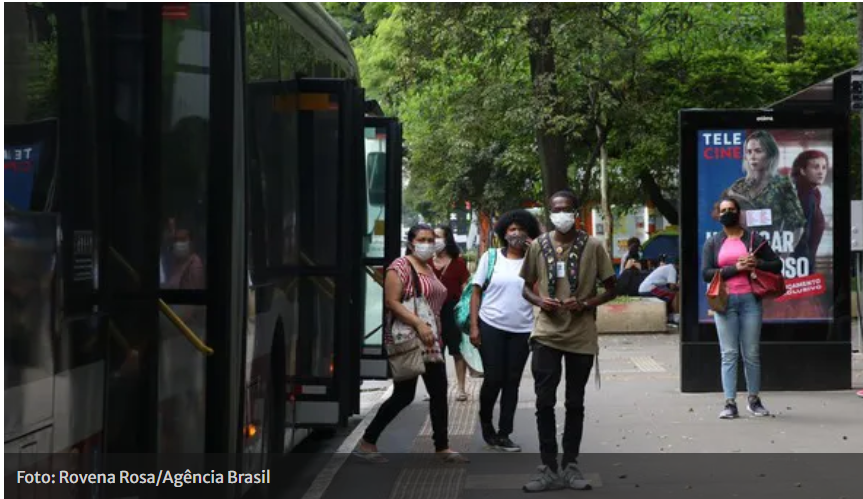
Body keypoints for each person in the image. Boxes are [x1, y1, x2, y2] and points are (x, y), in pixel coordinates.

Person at [519, 189, 617, 491]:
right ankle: (547, 466)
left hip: (581, 334)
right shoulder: (537, 245)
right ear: (549, 213)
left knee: (575, 401)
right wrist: (540, 300)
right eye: (556, 209)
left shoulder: (594, 246)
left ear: (576, 212)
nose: (561, 214)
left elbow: (612, 288)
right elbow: (525, 288)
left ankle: (570, 465)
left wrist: (585, 303)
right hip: (546, 332)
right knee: (544, 400)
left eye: (567, 209)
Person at [355, 224, 468, 463]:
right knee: (404, 395)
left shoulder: (428, 267)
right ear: (410, 243)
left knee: (438, 392)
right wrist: (418, 324)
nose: (428, 243)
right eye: (422, 239)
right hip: (411, 338)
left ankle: (442, 447)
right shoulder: (400, 266)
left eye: (431, 239)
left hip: (431, 340)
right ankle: (367, 441)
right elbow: (392, 302)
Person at [702, 197, 782, 420]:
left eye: (732, 209)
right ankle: (729, 403)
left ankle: (754, 400)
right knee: (728, 354)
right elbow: (706, 273)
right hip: (724, 302)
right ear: (718, 215)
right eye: (723, 210)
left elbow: (777, 264)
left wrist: (757, 263)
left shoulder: (754, 238)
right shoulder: (713, 242)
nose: (727, 213)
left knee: (752, 353)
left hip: (750, 301)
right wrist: (735, 268)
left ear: (739, 212)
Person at [469, 209, 541, 452]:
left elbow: (540, 295)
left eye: (522, 229)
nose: (517, 233)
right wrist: (474, 326)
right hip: (491, 325)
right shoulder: (490, 257)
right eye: (512, 229)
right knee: (493, 379)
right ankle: (486, 422)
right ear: (504, 233)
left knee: (512, 382)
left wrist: (536, 255)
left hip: (522, 329)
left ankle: (504, 433)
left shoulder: (533, 260)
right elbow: (476, 291)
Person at [432, 225, 471, 401]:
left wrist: (468, 312)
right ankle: (435, 389)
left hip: (452, 310)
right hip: (432, 311)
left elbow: (466, 289)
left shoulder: (458, 263)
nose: (434, 240)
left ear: (447, 239)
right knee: (433, 353)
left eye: (438, 236)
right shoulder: (425, 262)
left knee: (457, 351)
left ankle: (461, 388)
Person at [638, 255, 679, 321]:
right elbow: (672, 287)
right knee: (672, 294)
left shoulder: (667, 267)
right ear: (678, 265)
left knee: (667, 294)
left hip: (644, 289)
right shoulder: (672, 269)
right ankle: (672, 314)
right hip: (649, 289)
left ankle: (669, 315)